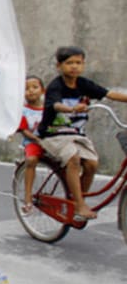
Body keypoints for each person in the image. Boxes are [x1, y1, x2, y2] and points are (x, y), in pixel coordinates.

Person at [37, 46, 127, 220]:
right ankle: (79, 205)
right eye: (69, 63)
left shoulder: (83, 84)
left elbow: (109, 94)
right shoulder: (56, 86)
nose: (74, 67)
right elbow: (55, 105)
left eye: (78, 63)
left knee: (92, 164)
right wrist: (70, 108)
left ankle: (78, 199)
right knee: (74, 160)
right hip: (53, 134)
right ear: (59, 66)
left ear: (83, 65)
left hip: (76, 134)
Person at [18, 75, 44, 214]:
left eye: (35, 87)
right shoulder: (23, 111)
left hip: (50, 142)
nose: (31, 91)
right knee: (31, 160)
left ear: (42, 90)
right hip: (32, 142)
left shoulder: (49, 109)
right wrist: (37, 139)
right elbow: (23, 130)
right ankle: (28, 197)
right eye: (26, 89)